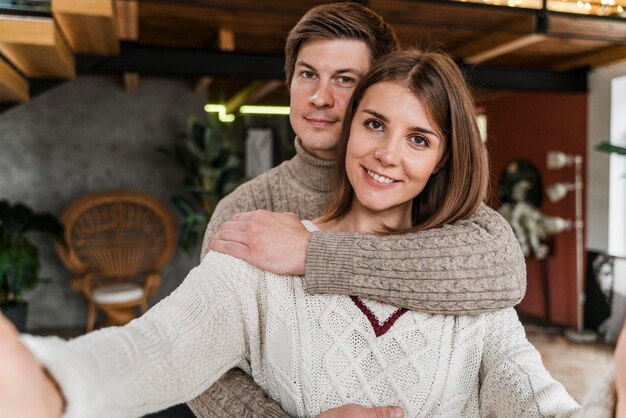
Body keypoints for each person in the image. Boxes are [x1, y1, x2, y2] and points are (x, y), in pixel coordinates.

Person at [1, 48, 616, 418]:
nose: (388, 154)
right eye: (374, 123)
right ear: (348, 131)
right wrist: (51, 384)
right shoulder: (259, 253)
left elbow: (528, 395)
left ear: (443, 161)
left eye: (419, 139)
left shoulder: (467, 288)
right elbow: (160, 348)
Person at [192, 3, 526, 415]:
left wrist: (312, 254)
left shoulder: (429, 197)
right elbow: (203, 366)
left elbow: (505, 271)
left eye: (345, 79)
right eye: (307, 74)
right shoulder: (248, 208)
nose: (319, 97)